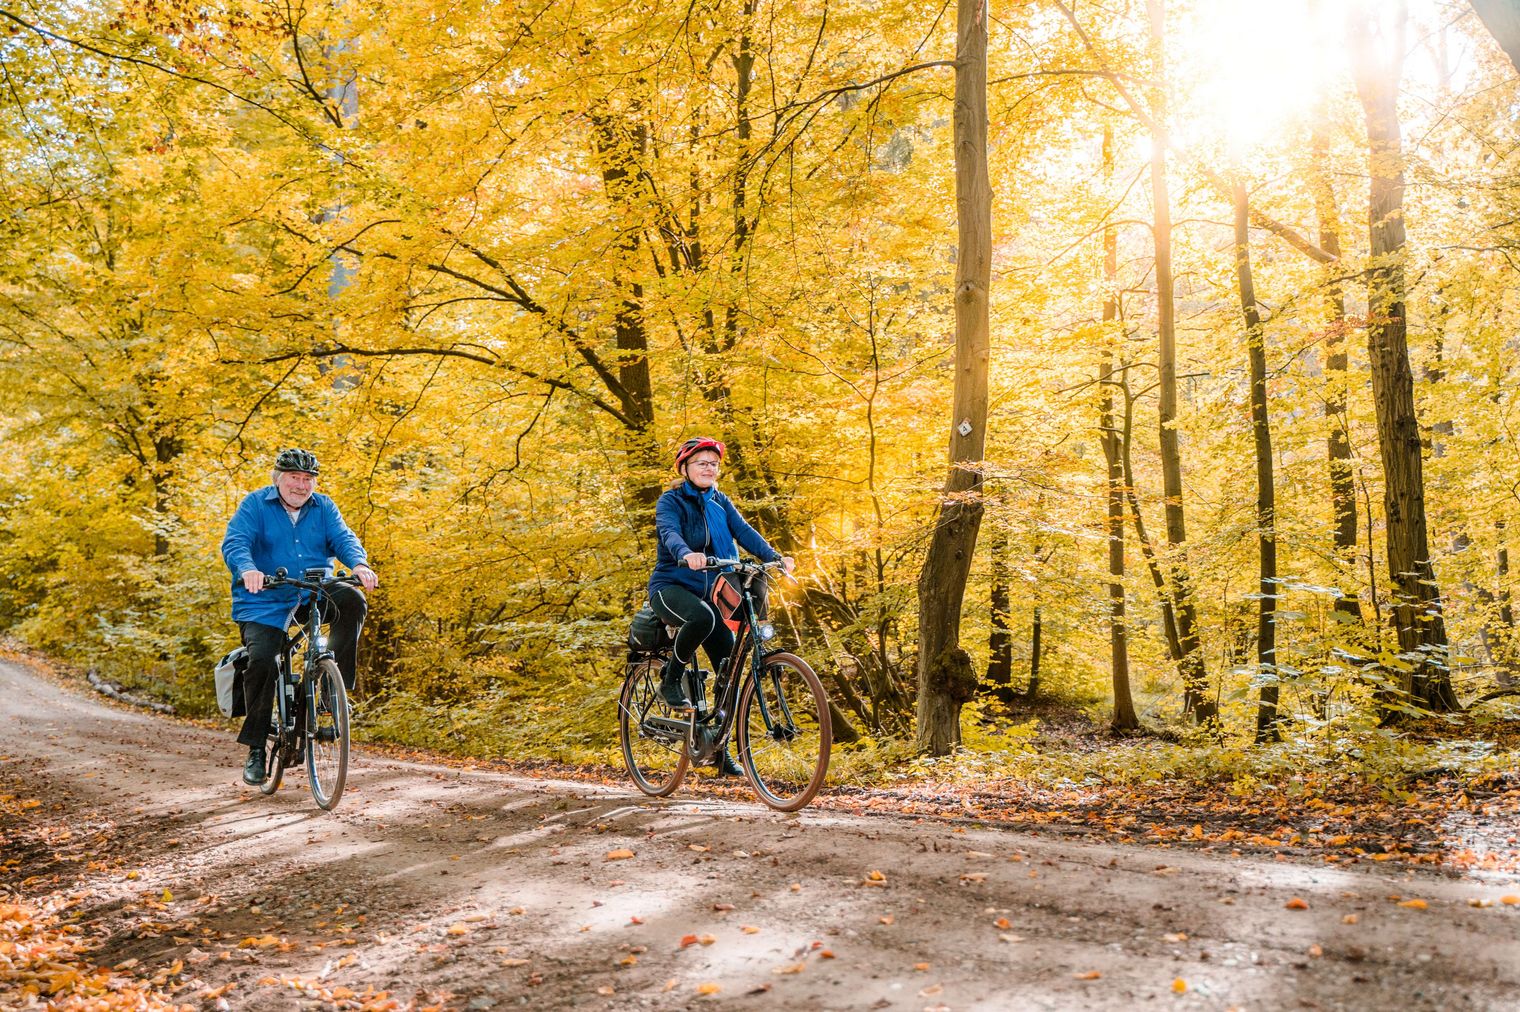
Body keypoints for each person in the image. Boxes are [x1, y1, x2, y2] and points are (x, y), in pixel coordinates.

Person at [220, 448, 379, 785]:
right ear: (279, 479)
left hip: (313, 590)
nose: (301, 485)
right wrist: (248, 569)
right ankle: (257, 748)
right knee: (263, 660)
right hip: (265, 598)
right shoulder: (255, 505)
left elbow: (343, 538)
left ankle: (331, 691)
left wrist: (359, 564)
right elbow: (236, 543)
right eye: (294, 477)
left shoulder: (323, 507)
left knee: (352, 600)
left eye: (307, 479)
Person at [648, 437, 794, 776]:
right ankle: (670, 678)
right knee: (701, 617)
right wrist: (687, 554)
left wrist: (774, 558)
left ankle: (718, 746)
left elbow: (744, 532)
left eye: (713, 464)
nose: (708, 468)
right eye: (701, 462)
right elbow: (670, 533)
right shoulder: (671, 501)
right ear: (685, 468)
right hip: (671, 587)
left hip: (713, 589)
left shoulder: (720, 501)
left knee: (728, 668)